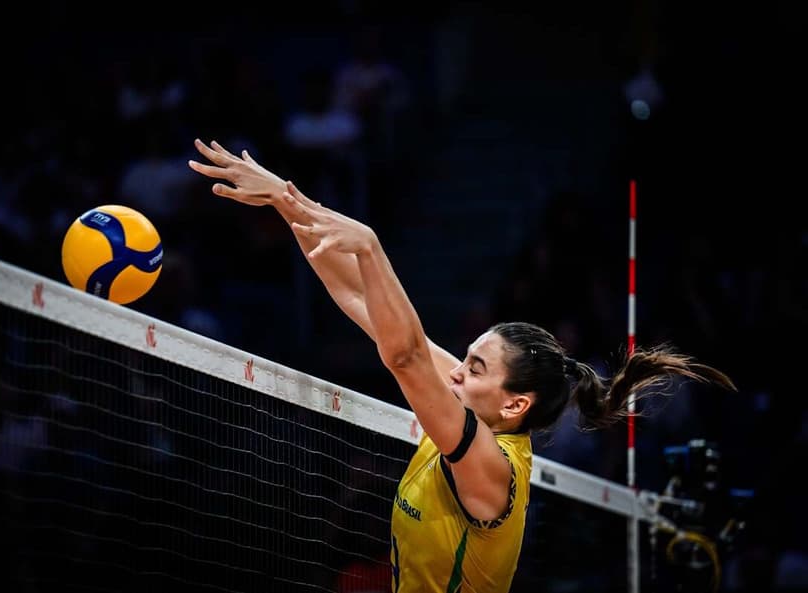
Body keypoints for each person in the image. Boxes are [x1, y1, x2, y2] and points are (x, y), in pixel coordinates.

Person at [187, 138, 737, 592]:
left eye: (474, 368)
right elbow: (360, 298)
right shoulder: (464, 408)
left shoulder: (492, 470)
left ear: (514, 404)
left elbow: (403, 355)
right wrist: (285, 199)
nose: (454, 373)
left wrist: (372, 246)